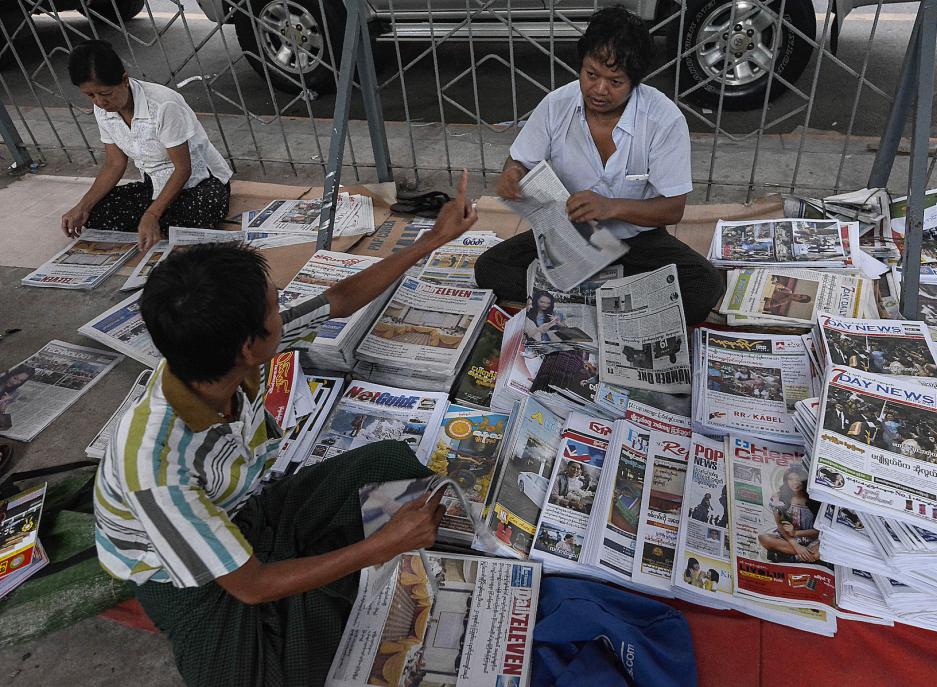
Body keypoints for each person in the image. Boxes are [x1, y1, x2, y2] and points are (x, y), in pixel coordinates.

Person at [93, 174, 478, 686]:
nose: (284, 312)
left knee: (387, 463)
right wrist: (377, 547)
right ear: (249, 347)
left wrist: (431, 241)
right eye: (275, 307)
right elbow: (249, 587)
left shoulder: (220, 360)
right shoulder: (156, 465)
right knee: (273, 674)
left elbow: (339, 300)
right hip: (187, 581)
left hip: (246, 512)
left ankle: (327, 574)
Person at [475, 7, 723, 324]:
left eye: (615, 81)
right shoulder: (556, 105)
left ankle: (585, 298)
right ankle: (615, 300)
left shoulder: (663, 119)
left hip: (637, 242)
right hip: (567, 238)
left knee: (705, 284)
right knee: (489, 268)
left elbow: (672, 209)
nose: (599, 90)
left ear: (635, 82)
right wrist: (512, 173)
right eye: (591, 75)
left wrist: (610, 207)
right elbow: (520, 159)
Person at [60, 40, 233, 252]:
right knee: (95, 212)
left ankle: (156, 221)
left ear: (124, 80)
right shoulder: (103, 109)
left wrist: (151, 214)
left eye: (105, 94)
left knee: (195, 213)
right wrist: (82, 207)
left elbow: (183, 169)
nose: (99, 102)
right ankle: (157, 222)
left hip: (200, 184)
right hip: (154, 186)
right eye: (90, 95)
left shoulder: (163, 105)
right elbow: (115, 163)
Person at [758, 466, 821, 564]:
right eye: (790, 479)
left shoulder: (815, 500)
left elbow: (819, 531)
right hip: (788, 540)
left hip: (811, 539)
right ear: (786, 480)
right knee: (763, 538)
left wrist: (796, 533)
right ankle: (804, 555)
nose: (794, 483)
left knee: (821, 550)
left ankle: (792, 557)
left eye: (798, 479)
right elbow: (780, 525)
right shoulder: (778, 497)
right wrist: (796, 546)